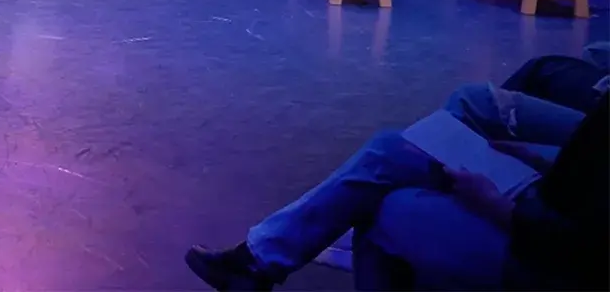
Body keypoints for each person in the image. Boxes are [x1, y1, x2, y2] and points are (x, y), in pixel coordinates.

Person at [185, 82, 607, 291]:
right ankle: (267, 255)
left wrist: (494, 205)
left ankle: (260, 260)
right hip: (565, 192)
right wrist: (539, 157)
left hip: (556, 256)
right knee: (468, 105)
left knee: (384, 197)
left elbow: (576, 248)